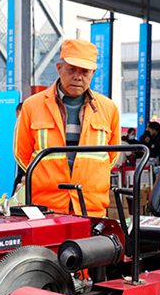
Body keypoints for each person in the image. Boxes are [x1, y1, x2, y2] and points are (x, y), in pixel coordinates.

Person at [14, 39, 120, 217]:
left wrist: (89, 176)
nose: (78, 77)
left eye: (85, 72)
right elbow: (21, 153)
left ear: (93, 73)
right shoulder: (32, 106)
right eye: (71, 70)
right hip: (46, 207)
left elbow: (112, 156)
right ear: (59, 68)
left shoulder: (109, 109)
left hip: (91, 207)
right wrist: (46, 178)